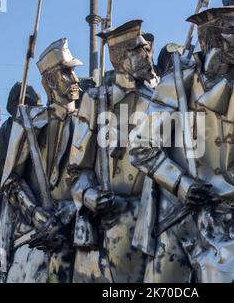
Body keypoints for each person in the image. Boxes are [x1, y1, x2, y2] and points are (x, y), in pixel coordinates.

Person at [129, 6, 234, 283]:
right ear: (212, 38)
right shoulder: (177, 82)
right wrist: (181, 184)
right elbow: (141, 147)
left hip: (230, 226)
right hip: (176, 225)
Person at [70, 20, 159, 282]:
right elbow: (78, 167)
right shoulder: (95, 100)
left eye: (147, 50)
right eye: (139, 51)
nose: (147, 57)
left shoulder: (160, 99)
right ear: (120, 58)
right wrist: (88, 195)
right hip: (108, 220)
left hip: (152, 218)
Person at [0, 38, 83, 283]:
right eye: (66, 73)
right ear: (48, 82)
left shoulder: (92, 122)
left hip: (77, 232)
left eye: (74, 72)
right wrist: (38, 216)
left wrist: (66, 215)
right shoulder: (29, 122)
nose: (75, 80)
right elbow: (10, 182)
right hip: (33, 236)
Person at [0, 83, 41, 281]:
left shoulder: (41, 124)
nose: (27, 107)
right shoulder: (7, 130)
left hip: (36, 200)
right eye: (23, 103)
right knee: (1, 247)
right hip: (8, 200)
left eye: (31, 103)